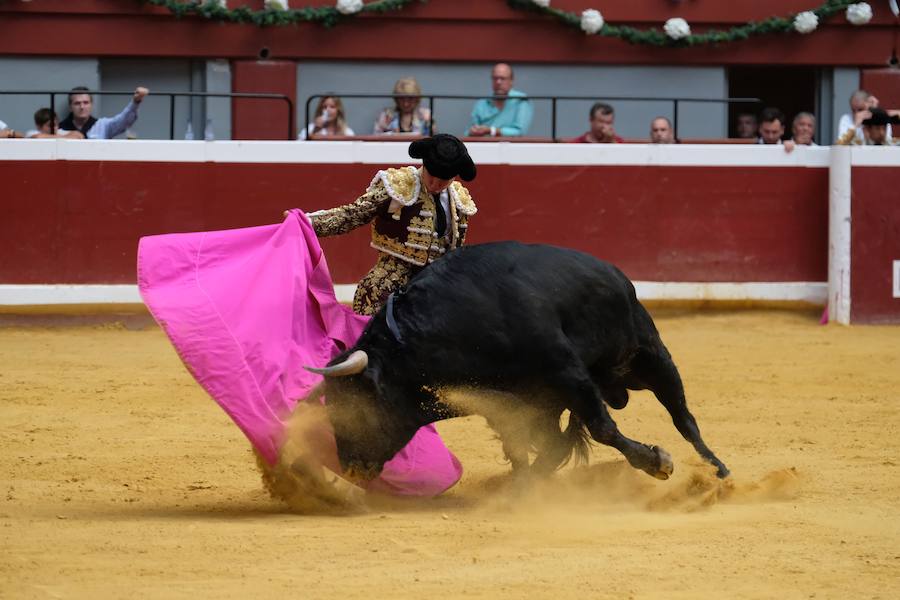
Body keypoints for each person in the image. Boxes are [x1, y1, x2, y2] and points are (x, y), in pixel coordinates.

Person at [297, 134, 477, 316]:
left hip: (436, 281)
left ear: (454, 176)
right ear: (424, 164)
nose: (436, 185)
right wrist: (307, 223)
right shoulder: (398, 186)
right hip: (392, 278)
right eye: (431, 176)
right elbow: (353, 215)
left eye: (444, 181)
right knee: (373, 291)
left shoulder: (458, 200)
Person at [467, 63, 533, 138]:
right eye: (495, 78)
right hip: (484, 147)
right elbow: (468, 132)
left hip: (511, 147)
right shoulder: (482, 103)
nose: (498, 82)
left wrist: (491, 130)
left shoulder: (521, 100)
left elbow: (520, 132)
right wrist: (473, 132)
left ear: (511, 81)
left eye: (503, 78)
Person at [59, 85, 148, 139]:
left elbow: (124, 121)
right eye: (77, 103)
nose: (82, 107)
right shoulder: (59, 129)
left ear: (91, 105)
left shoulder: (103, 125)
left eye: (86, 103)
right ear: (70, 107)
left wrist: (136, 102)